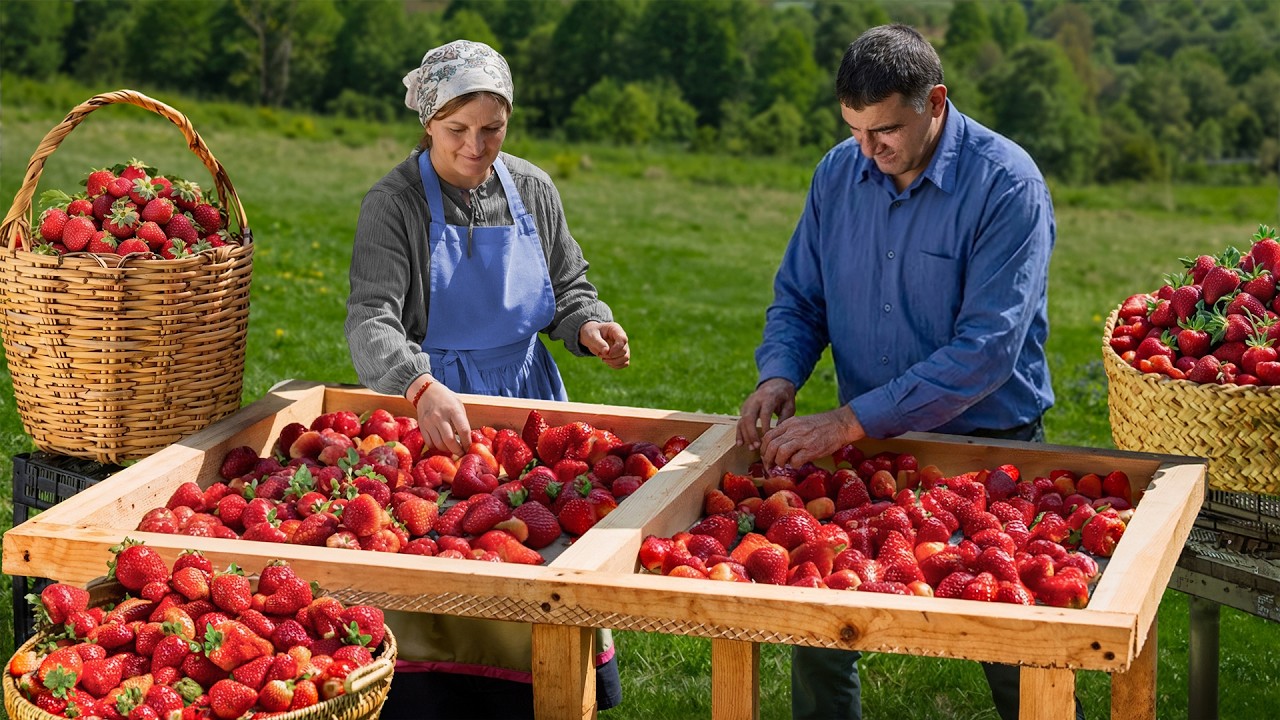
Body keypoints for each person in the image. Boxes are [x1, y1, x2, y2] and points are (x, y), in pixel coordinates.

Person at [735, 24, 1080, 720]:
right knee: (824, 619)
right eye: (855, 129)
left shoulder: (1006, 184)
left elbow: (986, 350)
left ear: (936, 102)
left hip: (988, 445)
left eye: (886, 129)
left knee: (1008, 633)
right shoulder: (838, 174)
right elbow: (801, 298)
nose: (869, 149)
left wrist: (847, 419)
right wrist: (780, 373)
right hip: (865, 445)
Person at [344, 39, 628, 719]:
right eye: (457, 130)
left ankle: (549, 693)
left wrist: (589, 324)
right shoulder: (394, 203)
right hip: (436, 411)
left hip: (528, 402)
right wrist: (417, 383)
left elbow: (568, 286)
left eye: (492, 129)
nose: (475, 147)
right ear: (428, 123)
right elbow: (371, 320)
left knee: (540, 550)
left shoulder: (532, 188)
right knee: (441, 556)